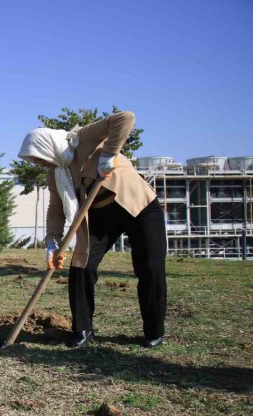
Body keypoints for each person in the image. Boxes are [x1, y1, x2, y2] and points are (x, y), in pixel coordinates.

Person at [18, 111, 167, 348]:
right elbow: (55, 208)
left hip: (138, 207)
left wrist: (108, 155)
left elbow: (125, 118)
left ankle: (153, 331)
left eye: (38, 158)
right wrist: (51, 242)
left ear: (47, 146)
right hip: (99, 216)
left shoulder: (82, 138)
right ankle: (83, 330)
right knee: (81, 267)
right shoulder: (55, 171)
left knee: (149, 267)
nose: (40, 163)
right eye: (35, 161)